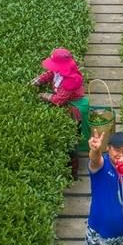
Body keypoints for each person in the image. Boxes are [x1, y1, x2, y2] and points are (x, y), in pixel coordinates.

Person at [31, 48, 90, 176]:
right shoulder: (60, 71)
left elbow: (59, 100)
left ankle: (73, 170)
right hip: (67, 104)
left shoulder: (71, 79)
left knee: (72, 138)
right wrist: (38, 80)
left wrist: (43, 95)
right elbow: (51, 73)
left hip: (75, 109)